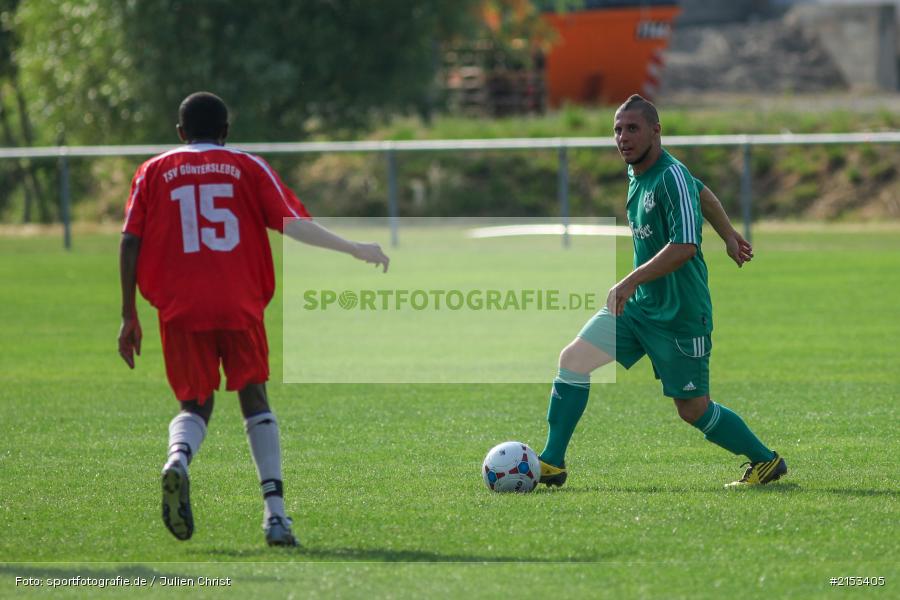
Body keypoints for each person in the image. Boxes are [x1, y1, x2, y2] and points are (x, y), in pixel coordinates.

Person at [118, 92, 389, 546]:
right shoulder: (247, 166)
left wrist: (128, 314)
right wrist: (354, 248)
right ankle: (276, 517)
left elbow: (129, 241)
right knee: (254, 397)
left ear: (180, 133)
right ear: (226, 132)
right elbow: (292, 224)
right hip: (238, 302)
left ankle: (178, 460)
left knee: (195, 404)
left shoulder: (153, 170)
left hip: (180, 307)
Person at [537, 94, 785, 489]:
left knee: (693, 410)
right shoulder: (640, 172)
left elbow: (685, 246)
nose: (623, 138)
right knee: (574, 360)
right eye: (617, 130)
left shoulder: (670, 175)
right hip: (639, 310)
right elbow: (702, 191)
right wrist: (728, 234)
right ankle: (552, 462)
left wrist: (630, 279)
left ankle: (765, 461)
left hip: (680, 316)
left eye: (632, 129)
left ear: (656, 131)